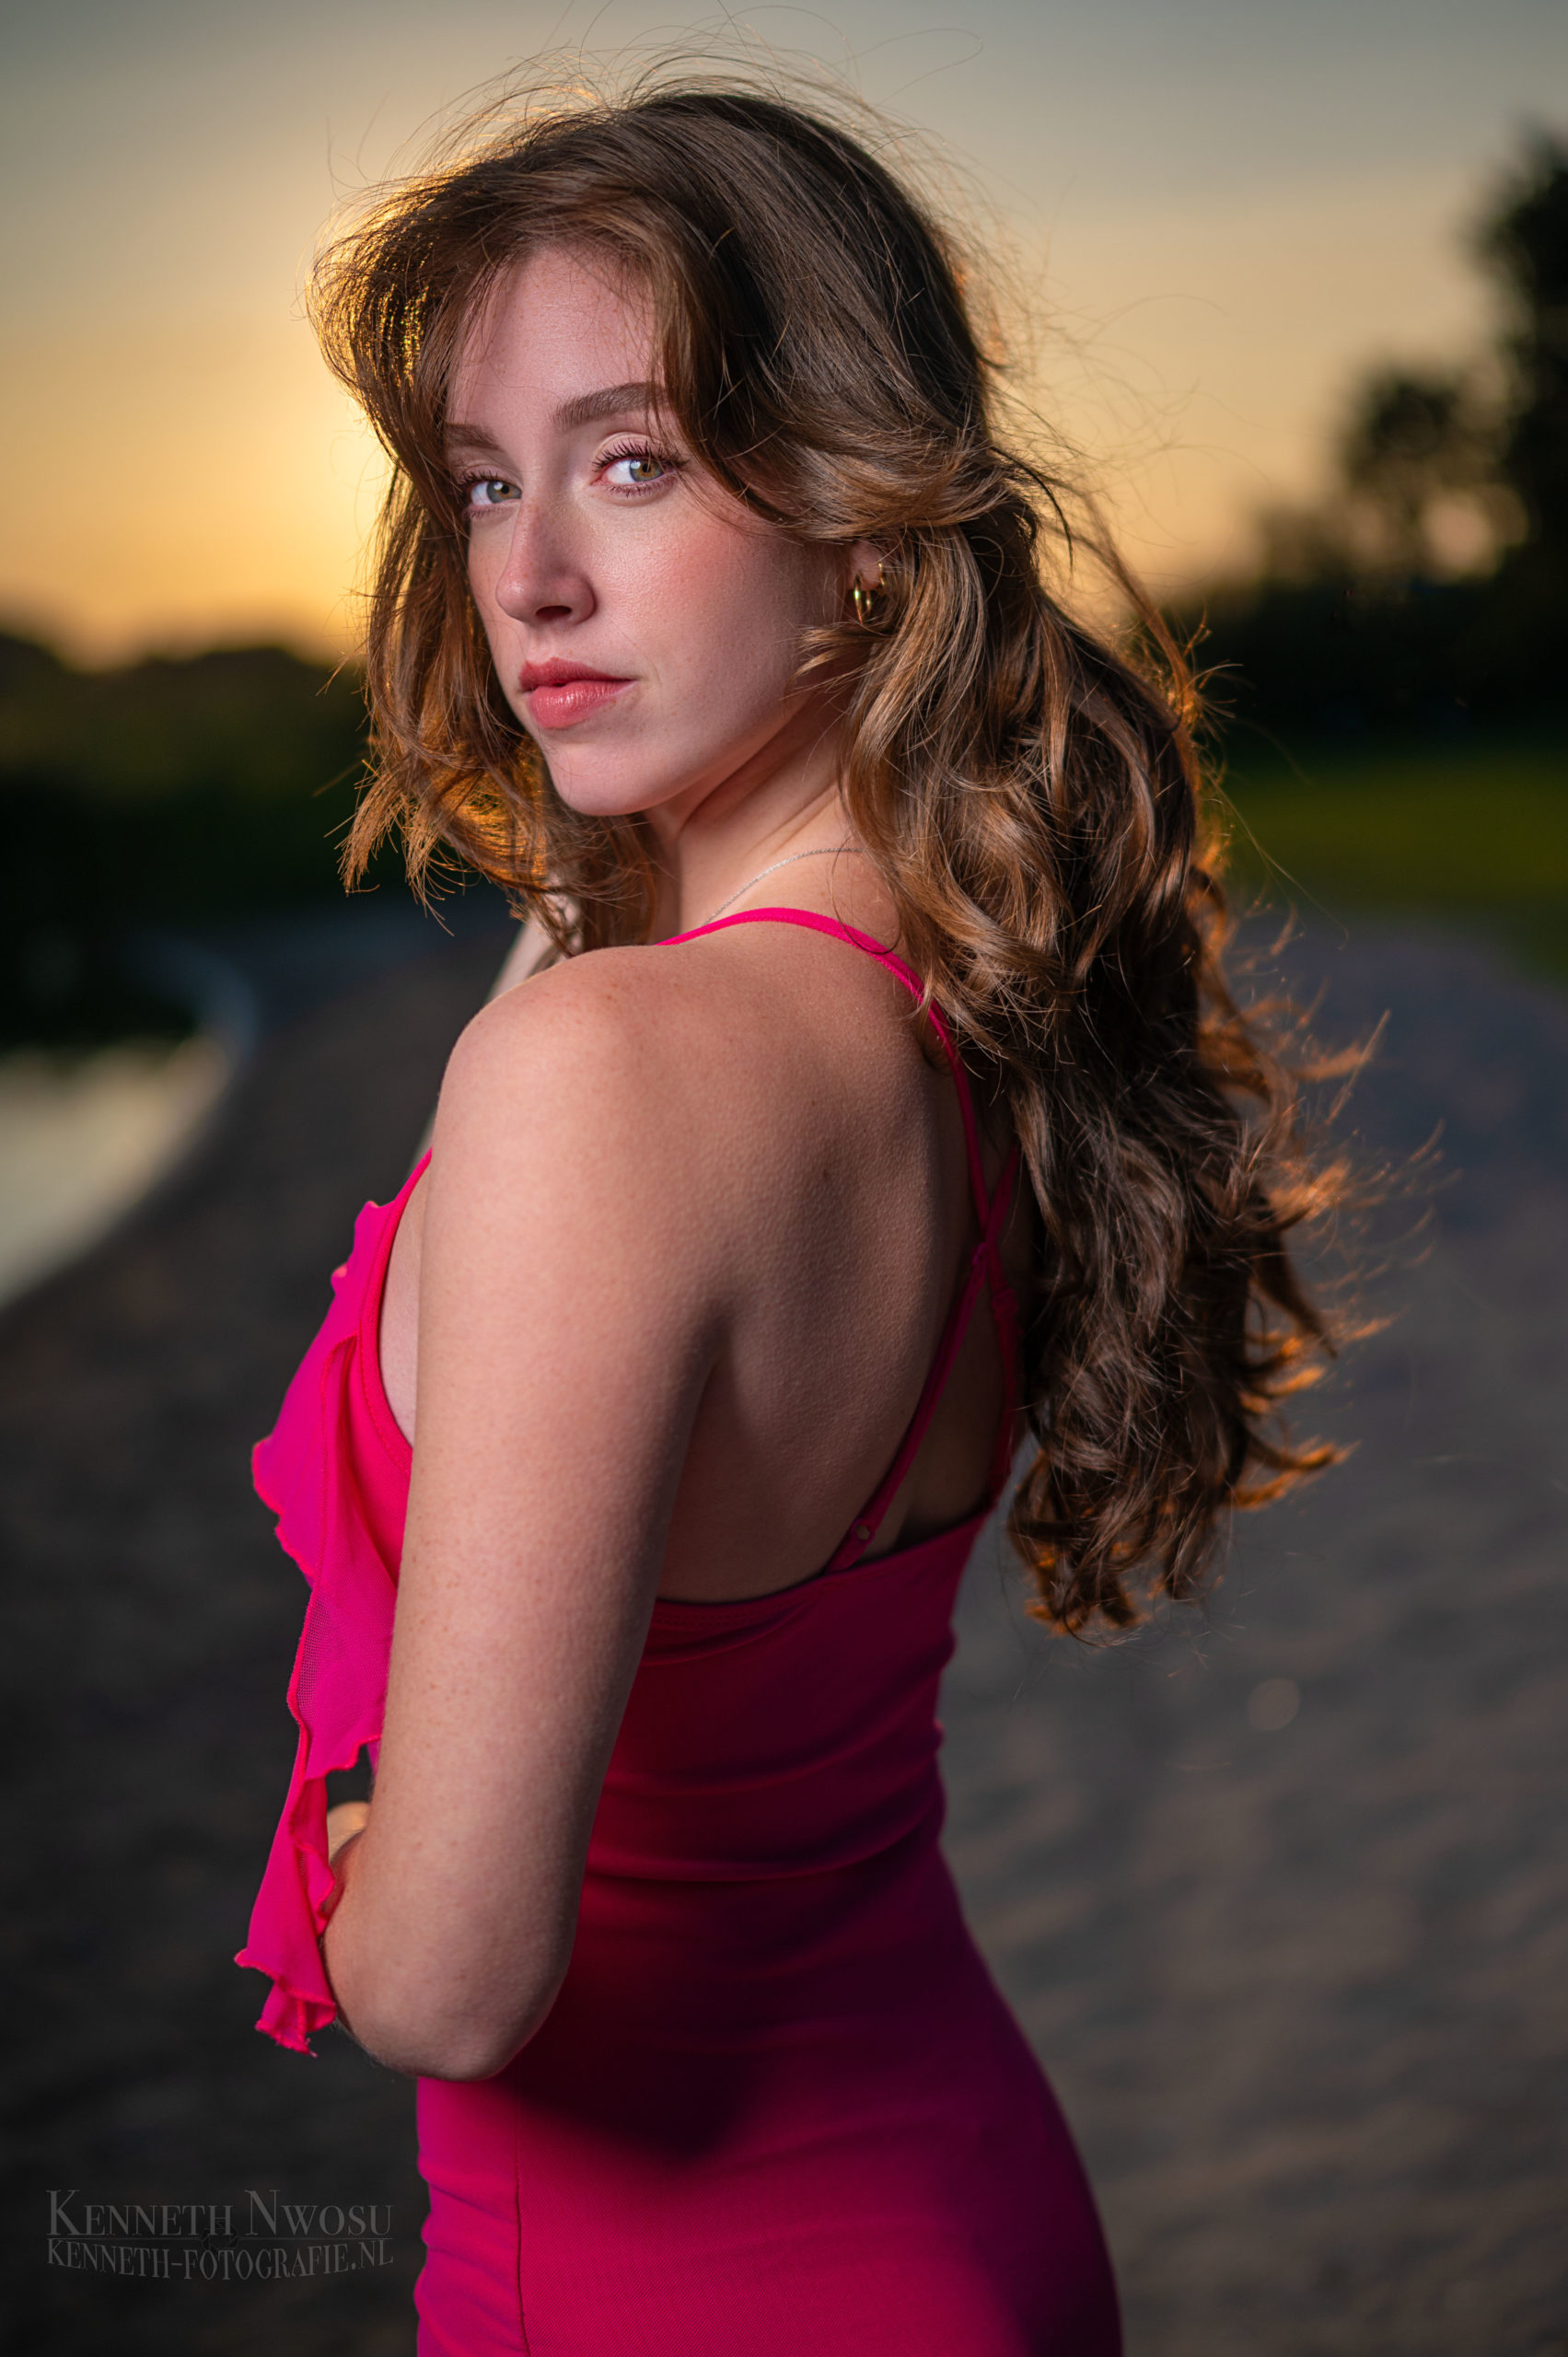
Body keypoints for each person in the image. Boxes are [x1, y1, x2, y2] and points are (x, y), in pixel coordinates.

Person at [238, 77, 1340, 2356]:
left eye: (634, 460)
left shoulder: (600, 1083)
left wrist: (354, 1851)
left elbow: (451, 1981)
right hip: (965, 2204)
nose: (530, 575)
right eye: (484, 480)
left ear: (866, 518)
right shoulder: (975, 1031)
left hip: (673, 2287)